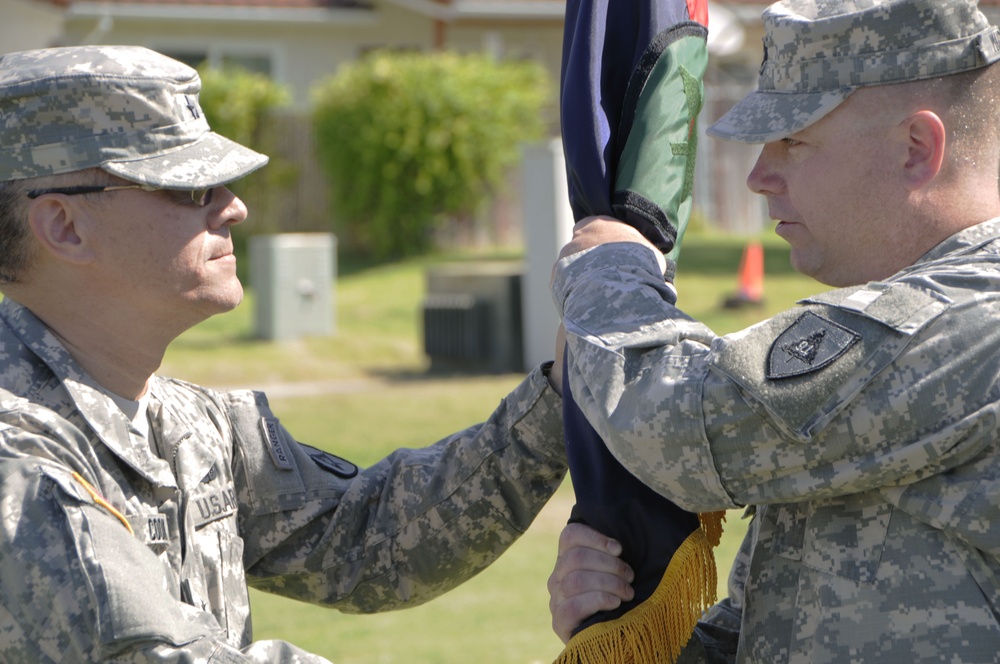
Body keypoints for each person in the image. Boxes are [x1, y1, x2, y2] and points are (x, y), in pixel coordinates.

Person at [0, 45, 567, 662]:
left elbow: (371, 538)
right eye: (187, 188)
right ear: (64, 226)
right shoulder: (20, 465)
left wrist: (563, 396)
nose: (233, 206)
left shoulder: (191, 423)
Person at [546, 0, 1000, 661]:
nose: (760, 177)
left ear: (916, 148)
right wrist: (621, 622)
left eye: (795, 140)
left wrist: (607, 265)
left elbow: (679, 424)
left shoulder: (970, 319)